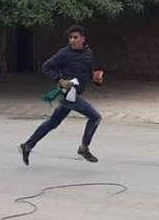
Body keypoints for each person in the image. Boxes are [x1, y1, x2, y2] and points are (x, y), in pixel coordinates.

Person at [19, 25, 103, 166]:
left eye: (75, 37)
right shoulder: (64, 53)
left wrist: (97, 80)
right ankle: (84, 148)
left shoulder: (88, 54)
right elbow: (46, 67)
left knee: (52, 123)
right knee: (95, 117)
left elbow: (89, 74)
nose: (72, 40)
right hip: (68, 94)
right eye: (70, 38)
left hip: (75, 93)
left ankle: (27, 145)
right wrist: (59, 79)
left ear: (83, 39)